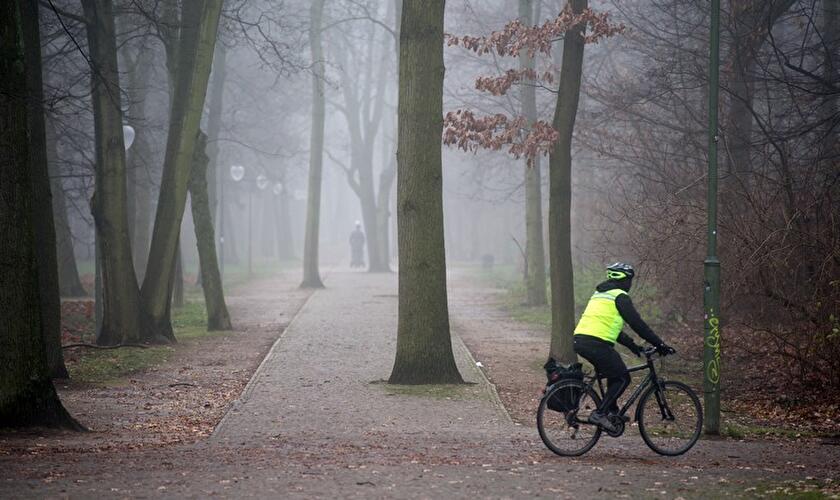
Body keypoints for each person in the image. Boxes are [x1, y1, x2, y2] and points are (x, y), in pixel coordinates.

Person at [573, 262, 675, 433]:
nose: (631, 284)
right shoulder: (620, 297)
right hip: (597, 343)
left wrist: (634, 347)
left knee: (614, 371)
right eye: (630, 280)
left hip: (581, 341)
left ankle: (612, 413)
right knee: (623, 378)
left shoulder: (599, 294)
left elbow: (612, 328)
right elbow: (638, 324)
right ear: (625, 280)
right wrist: (660, 344)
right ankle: (600, 413)